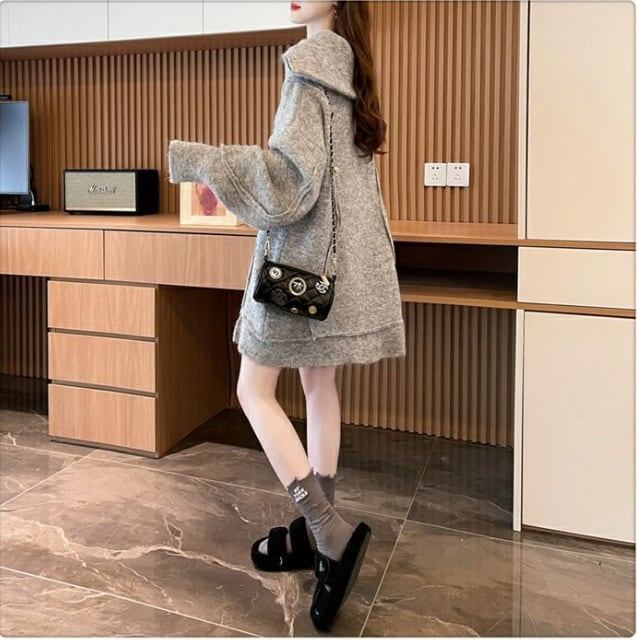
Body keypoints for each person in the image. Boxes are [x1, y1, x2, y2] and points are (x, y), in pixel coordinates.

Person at [167, 0, 405, 630]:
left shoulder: (306, 66)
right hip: (335, 274)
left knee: (253, 391)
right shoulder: (350, 66)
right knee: (318, 385)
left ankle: (328, 532)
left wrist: (202, 160)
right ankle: (311, 533)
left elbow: (288, 183)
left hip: (296, 271)